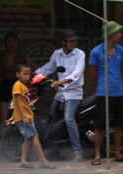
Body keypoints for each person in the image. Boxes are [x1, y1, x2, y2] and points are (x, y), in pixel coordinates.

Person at [35, 29, 86, 162]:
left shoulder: (80, 54)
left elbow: (77, 73)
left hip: (74, 93)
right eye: (70, 41)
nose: (73, 43)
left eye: (75, 40)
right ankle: (54, 150)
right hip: (60, 94)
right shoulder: (57, 54)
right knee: (51, 119)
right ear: (63, 42)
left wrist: (62, 81)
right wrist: (33, 76)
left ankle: (78, 151)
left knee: (69, 119)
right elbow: (48, 68)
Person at [88, 21, 123, 165]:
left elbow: (119, 68)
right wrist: (100, 87)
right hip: (103, 93)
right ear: (109, 35)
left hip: (119, 92)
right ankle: (98, 154)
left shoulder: (120, 50)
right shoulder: (96, 52)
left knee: (119, 124)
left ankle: (117, 153)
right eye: (117, 32)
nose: (120, 35)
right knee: (99, 126)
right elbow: (92, 74)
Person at [5, 63, 55, 169]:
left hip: (27, 115)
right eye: (24, 74)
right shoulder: (18, 86)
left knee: (27, 139)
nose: (26, 76)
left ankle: (23, 161)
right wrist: (23, 116)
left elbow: (21, 103)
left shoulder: (24, 86)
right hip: (25, 116)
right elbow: (17, 102)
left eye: (28, 74)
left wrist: (12, 117)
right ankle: (42, 160)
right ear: (17, 74)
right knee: (34, 137)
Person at [0, 33, 30, 135]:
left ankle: (14, 141)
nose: (12, 44)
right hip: (4, 86)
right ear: (5, 43)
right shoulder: (0, 55)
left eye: (14, 42)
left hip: (17, 86)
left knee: (17, 115)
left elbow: (33, 67)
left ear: (18, 43)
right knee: (2, 116)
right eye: (9, 42)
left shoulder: (22, 57)